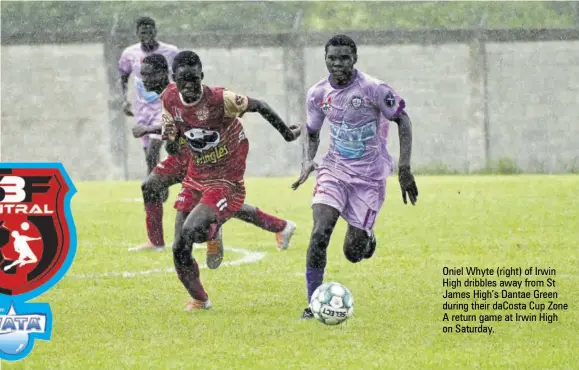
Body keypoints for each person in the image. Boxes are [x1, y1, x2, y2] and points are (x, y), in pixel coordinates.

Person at [291, 35, 419, 319]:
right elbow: (311, 131)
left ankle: (367, 239)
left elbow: (403, 119)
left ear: (354, 59)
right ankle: (314, 303)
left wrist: (405, 168)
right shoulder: (317, 94)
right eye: (332, 58)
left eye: (344, 58)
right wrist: (307, 162)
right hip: (333, 170)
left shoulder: (373, 89)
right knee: (320, 232)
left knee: (354, 252)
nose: (337, 63)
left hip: (369, 178)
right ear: (325, 58)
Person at [162, 50, 301, 311]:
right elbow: (174, 145)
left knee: (194, 230)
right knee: (180, 245)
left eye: (194, 79)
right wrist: (169, 139)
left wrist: (287, 134)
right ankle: (200, 299)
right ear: (174, 79)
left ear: (202, 76)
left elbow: (259, 105)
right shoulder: (169, 99)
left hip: (226, 176)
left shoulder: (221, 99)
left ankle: (214, 227)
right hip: (196, 174)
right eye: (183, 80)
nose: (189, 86)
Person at [129, 54, 298, 264]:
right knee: (152, 186)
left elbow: (183, 129)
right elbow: (173, 135)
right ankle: (157, 242)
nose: (144, 80)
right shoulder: (169, 97)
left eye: (148, 74)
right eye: (142, 74)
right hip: (186, 155)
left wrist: (151, 130)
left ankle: (221, 229)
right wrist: (164, 136)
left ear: (165, 74)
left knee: (216, 203)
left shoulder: (189, 93)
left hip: (202, 157)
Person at [118, 16, 179, 175]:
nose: (146, 35)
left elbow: (179, 75)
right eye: (143, 32)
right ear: (137, 34)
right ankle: (156, 184)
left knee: (154, 147)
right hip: (142, 108)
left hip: (163, 105)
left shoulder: (170, 52)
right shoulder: (129, 53)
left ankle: (157, 183)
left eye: (149, 31)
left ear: (155, 31)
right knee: (150, 158)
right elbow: (123, 77)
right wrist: (125, 100)